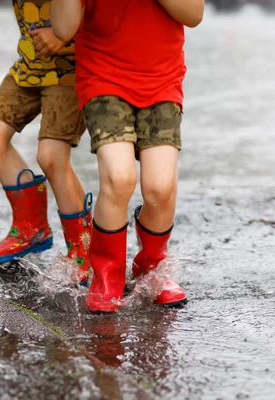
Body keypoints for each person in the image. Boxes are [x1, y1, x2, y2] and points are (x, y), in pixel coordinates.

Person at [51, 0, 204, 312]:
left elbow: (194, 15)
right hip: (103, 77)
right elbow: (63, 29)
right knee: (119, 178)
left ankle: (152, 269)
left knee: (160, 188)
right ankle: (106, 275)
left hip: (162, 79)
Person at [0, 0, 93, 285]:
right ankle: (31, 229)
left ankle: (83, 249)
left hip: (70, 70)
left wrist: (60, 36)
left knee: (52, 156)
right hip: (29, 65)